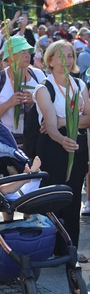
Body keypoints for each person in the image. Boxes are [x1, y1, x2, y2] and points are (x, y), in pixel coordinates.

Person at [34, 40, 90, 262]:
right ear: (50, 60)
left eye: (70, 56)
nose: (67, 60)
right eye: (61, 56)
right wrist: (61, 135)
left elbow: (88, 118)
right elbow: (48, 125)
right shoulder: (43, 88)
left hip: (76, 145)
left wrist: (62, 121)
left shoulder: (80, 85)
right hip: (53, 148)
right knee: (51, 197)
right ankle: (47, 247)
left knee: (74, 197)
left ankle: (70, 249)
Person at [0, 36, 45, 145]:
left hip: (35, 136)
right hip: (6, 139)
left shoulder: (38, 75)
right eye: (21, 52)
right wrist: (8, 104)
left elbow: (51, 107)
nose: (27, 55)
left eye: (28, 52)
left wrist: (35, 100)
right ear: (10, 58)